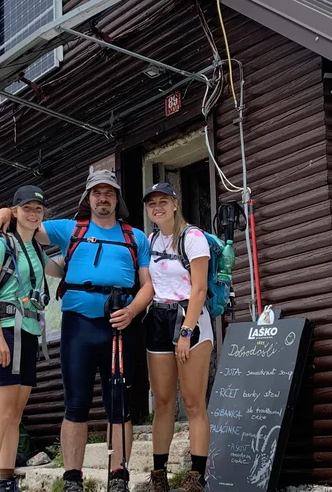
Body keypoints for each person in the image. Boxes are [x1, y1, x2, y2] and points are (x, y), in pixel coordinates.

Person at [0, 170, 154, 492]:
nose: (102, 198)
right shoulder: (70, 229)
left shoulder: (136, 237)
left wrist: (133, 311)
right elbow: (28, 224)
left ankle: (119, 476)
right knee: (75, 403)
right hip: (78, 324)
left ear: (117, 199)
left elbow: (148, 285)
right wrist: (6, 211)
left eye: (109, 193)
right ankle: (72, 478)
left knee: (119, 404)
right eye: (96, 193)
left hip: (121, 324)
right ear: (87, 198)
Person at [0, 185, 64, 492]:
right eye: (26, 208)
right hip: (3, 331)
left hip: (28, 333)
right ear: (15, 212)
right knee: (0, 412)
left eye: (38, 209)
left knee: (15, 414)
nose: (33, 213)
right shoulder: (1, 245)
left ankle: (6, 478)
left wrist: (85, 245)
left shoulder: (38, 251)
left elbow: (59, 270)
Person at [143, 183, 212, 492]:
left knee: (193, 401)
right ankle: (159, 477)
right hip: (158, 317)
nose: (157, 206)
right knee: (163, 401)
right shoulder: (150, 240)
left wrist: (186, 331)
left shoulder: (193, 238)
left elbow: (198, 289)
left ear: (175, 204)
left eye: (163, 200)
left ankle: (196, 477)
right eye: (151, 202)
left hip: (190, 316)